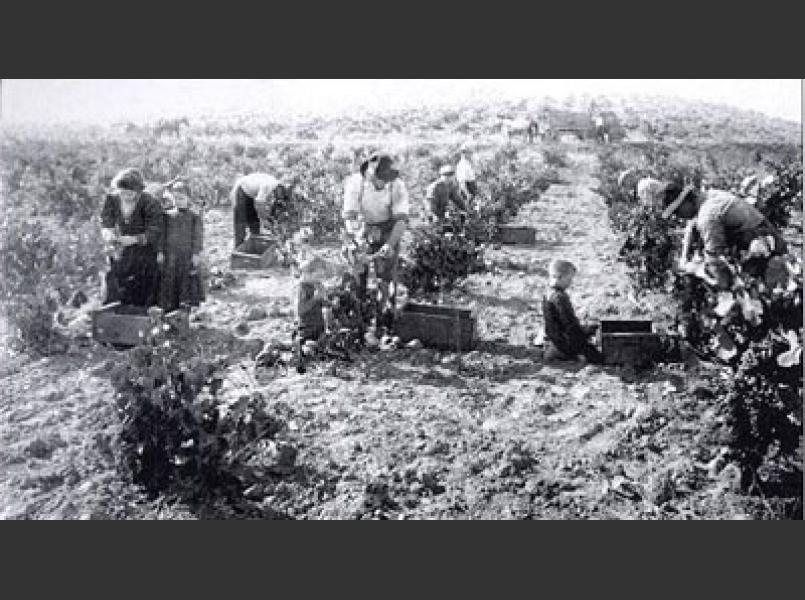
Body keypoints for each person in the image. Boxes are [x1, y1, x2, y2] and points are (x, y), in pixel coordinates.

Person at [342, 151, 410, 334]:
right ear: (370, 175)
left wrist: (389, 243)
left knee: (386, 277)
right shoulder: (356, 183)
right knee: (357, 275)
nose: (383, 183)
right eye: (380, 179)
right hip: (362, 227)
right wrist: (358, 242)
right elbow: (350, 215)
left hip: (388, 227)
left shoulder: (397, 186)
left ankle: (384, 322)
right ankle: (358, 321)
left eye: (386, 180)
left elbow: (401, 220)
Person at [661, 182, 787, 272]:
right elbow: (691, 226)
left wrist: (694, 268)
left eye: (677, 211)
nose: (678, 217)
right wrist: (684, 256)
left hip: (762, 247)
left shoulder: (707, 216)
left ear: (686, 202)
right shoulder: (708, 195)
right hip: (768, 234)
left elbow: (715, 258)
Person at [100, 168, 163, 310]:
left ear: (139, 191)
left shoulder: (150, 203)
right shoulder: (112, 199)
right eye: (122, 193)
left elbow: (156, 230)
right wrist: (108, 233)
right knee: (114, 276)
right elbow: (106, 221)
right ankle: (113, 312)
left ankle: (141, 315)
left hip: (145, 250)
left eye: (130, 194)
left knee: (143, 284)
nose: (126, 197)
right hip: (122, 247)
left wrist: (135, 239)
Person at [542, 259, 603, 364]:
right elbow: (570, 326)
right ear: (559, 277)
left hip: (556, 341)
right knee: (600, 358)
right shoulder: (559, 297)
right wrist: (585, 337)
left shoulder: (548, 293)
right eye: (569, 279)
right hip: (564, 345)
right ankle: (572, 357)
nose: (570, 283)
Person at [157, 180, 205, 312]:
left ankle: (185, 309)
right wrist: (160, 251)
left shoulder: (194, 217)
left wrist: (196, 253)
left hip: (186, 255)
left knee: (186, 280)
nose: (178, 201)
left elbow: (198, 237)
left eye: (182, 198)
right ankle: (170, 308)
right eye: (176, 198)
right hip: (171, 255)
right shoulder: (167, 215)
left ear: (189, 199)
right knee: (170, 281)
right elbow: (162, 235)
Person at [229, 172, 291, 248]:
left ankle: (255, 242)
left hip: (250, 194)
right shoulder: (268, 186)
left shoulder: (274, 186)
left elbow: (264, 205)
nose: (276, 197)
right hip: (242, 190)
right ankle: (238, 249)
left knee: (254, 220)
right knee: (241, 223)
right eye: (279, 196)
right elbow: (259, 203)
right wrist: (264, 219)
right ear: (280, 189)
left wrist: (268, 218)